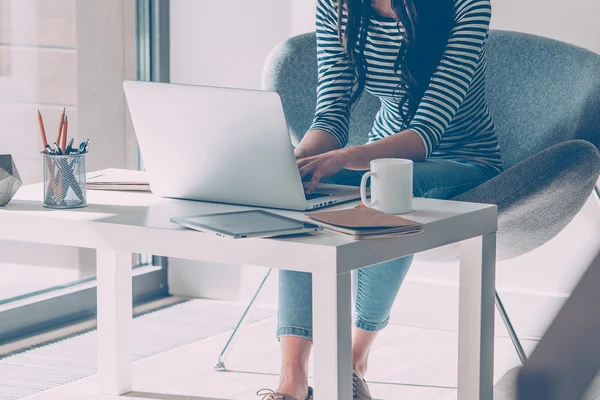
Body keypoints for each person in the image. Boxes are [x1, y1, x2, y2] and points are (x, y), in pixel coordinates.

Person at [257, 0, 503, 399]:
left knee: (392, 189)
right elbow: (332, 114)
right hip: (376, 156)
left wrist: (344, 157)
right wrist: (298, 161)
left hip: (461, 160)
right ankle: (292, 378)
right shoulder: (337, 5)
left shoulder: (467, 5)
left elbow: (427, 131)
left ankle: (352, 361)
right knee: (302, 188)